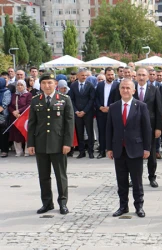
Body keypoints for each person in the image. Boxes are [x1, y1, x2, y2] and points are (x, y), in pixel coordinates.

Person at [27, 72, 74, 215]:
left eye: (50, 83)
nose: (47, 86)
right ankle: (47, 203)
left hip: (59, 143)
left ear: (55, 84)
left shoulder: (64, 99)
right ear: (40, 85)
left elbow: (69, 123)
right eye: (44, 83)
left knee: (61, 175)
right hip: (41, 143)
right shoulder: (36, 100)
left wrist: (67, 143)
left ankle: (63, 203)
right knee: (44, 176)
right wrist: (31, 144)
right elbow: (32, 124)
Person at [106, 79, 151, 218]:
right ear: (119, 90)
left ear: (133, 91)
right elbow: (109, 129)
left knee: (137, 181)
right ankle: (123, 206)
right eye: (123, 88)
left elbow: (146, 129)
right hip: (119, 149)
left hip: (136, 149)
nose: (125, 90)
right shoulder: (113, 107)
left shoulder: (141, 106)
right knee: (121, 181)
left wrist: (147, 148)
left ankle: (139, 206)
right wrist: (108, 148)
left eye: (128, 88)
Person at [136, 68, 162, 188]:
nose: (141, 77)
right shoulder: (130, 89)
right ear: (136, 76)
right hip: (134, 127)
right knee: (134, 153)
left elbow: (158, 109)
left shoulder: (154, 89)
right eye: (139, 75)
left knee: (151, 153)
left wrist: (158, 127)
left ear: (148, 77)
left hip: (150, 127)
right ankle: (135, 177)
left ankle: (152, 177)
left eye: (143, 75)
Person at [69, 68, 96, 159]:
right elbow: (71, 99)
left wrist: (84, 111)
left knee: (90, 133)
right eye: (82, 75)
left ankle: (90, 151)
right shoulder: (73, 85)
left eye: (85, 75)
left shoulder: (90, 85)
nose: (84, 77)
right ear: (78, 76)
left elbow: (92, 100)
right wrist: (76, 111)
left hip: (87, 113)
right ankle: (81, 152)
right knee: (79, 133)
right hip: (77, 113)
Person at [95, 67, 119, 159]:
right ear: (105, 75)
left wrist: (110, 108)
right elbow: (96, 97)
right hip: (101, 112)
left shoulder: (117, 85)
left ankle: (113, 151)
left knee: (113, 132)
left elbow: (118, 99)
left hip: (112, 112)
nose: (110, 76)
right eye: (108, 74)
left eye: (112, 74)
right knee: (102, 132)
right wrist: (100, 107)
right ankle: (102, 151)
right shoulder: (100, 85)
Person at [8, 80, 32, 156]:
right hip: (15, 117)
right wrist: (14, 112)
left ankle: (27, 151)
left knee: (25, 132)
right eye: (18, 85)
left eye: (21, 85)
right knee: (16, 133)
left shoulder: (28, 94)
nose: (19, 86)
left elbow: (29, 105)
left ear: (25, 86)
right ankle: (18, 151)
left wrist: (19, 111)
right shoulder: (14, 95)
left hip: (25, 117)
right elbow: (10, 106)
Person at [0, 78, 12, 157]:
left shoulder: (6, 92)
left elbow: (5, 103)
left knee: (3, 133)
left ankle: (4, 150)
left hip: (3, 115)